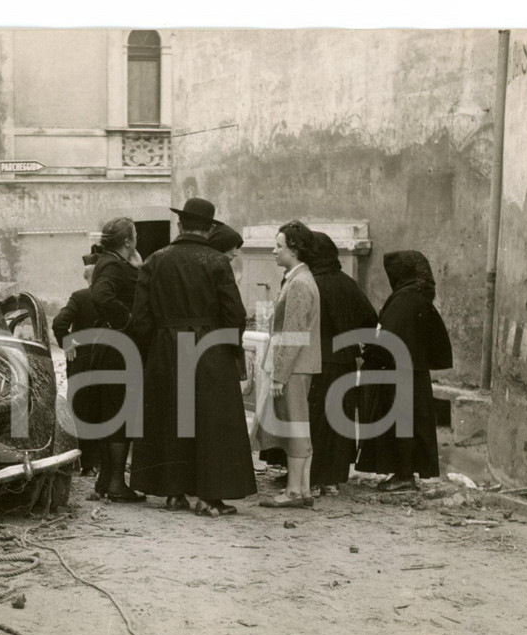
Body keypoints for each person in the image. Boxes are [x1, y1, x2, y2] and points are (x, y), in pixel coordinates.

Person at [129, 202, 256, 517]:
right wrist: (228, 347)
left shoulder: (155, 260)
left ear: (180, 225)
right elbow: (235, 313)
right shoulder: (215, 261)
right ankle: (210, 497)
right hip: (209, 348)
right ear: (210, 228)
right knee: (212, 422)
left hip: (166, 346)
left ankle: (173, 493)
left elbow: (141, 318)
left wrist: (151, 350)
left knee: (172, 418)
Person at [356, 250, 452, 491]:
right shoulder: (416, 296)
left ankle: (404, 475)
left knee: (401, 425)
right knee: (407, 425)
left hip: (399, 374)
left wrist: (368, 350)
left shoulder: (406, 299)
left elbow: (390, 337)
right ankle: (403, 474)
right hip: (411, 372)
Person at [305, 232, 378, 497]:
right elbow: (370, 319)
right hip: (345, 361)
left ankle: (310, 478)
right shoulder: (347, 283)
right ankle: (331, 480)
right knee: (340, 421)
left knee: (315, 420)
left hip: (315, 362)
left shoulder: (309, 282)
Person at [255, 220, 322, 509]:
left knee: (294, 428)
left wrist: (279, 376)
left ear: (294, 250)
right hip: (299, 365)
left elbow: (293, 332)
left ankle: (294, 491)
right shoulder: (301, 279)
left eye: (279, 246)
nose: (274, 251)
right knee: (298, 426)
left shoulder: (298, 283)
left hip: (293, 367)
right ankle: (303, 489)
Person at [88, 216, 145, 504]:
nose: (138, 237)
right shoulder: (111, 264)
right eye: (135, 234)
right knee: (122, 414)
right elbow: (101, 296)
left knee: (113, 412)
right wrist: (128, 320)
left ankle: (105, 481)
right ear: (127, 240)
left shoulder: (112, 261)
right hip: (119, 348)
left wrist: (137, 266)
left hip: (111, 346)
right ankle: (116, 483)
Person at [52, 253, 101, 476]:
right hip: (111, 359)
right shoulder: (116, 296)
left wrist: (67, 341)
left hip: (82, 362)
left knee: (83, 411)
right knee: (108, 410)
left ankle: (87, 465)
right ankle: (105, 464)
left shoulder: (80, 297)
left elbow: (59, 322)